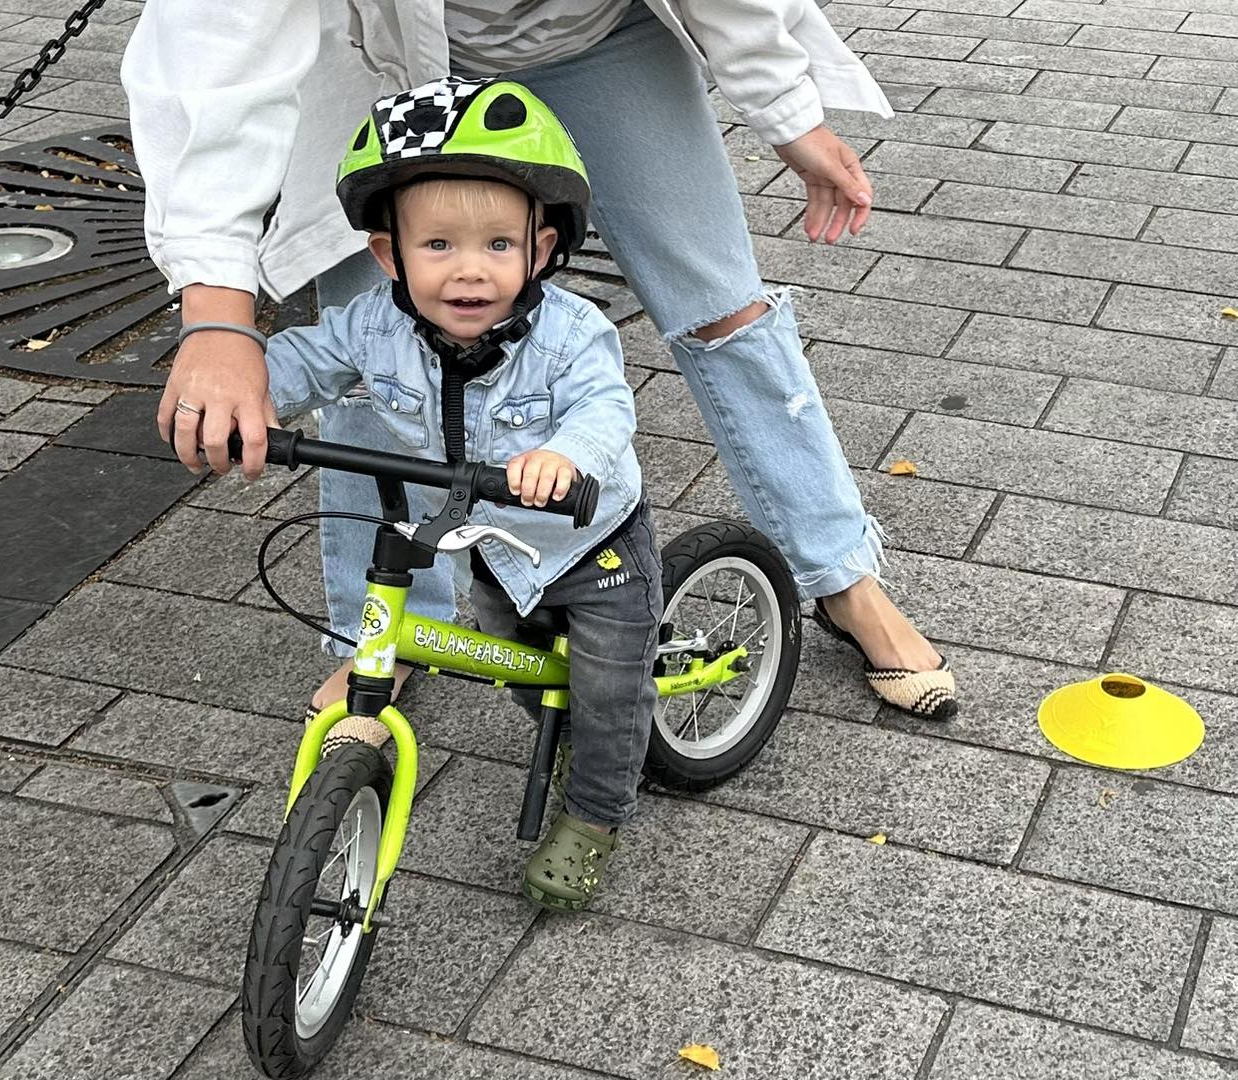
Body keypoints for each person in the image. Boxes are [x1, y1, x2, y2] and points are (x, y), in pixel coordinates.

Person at [122, 0, 959, 723]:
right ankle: (390, 629)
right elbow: (212, 38)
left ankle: (842, 577)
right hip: (377, 54)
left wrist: (785, 108)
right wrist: (218, 318)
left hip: (594, 34)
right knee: (372, 342)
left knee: (724, 307)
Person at [253, 78, 661, 911]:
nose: (470, 270)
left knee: (609, 687)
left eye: (497, 247)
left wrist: (563, 454)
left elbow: (605, 406)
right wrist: (239, 395)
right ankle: (577, 734)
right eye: (438, 245)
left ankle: (595, 814)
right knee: (519, 664)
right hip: (490, 546)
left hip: (591, 542)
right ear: (388, 255)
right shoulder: (375, 325)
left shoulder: (572, 334)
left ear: (540, 249)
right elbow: (302, 363)